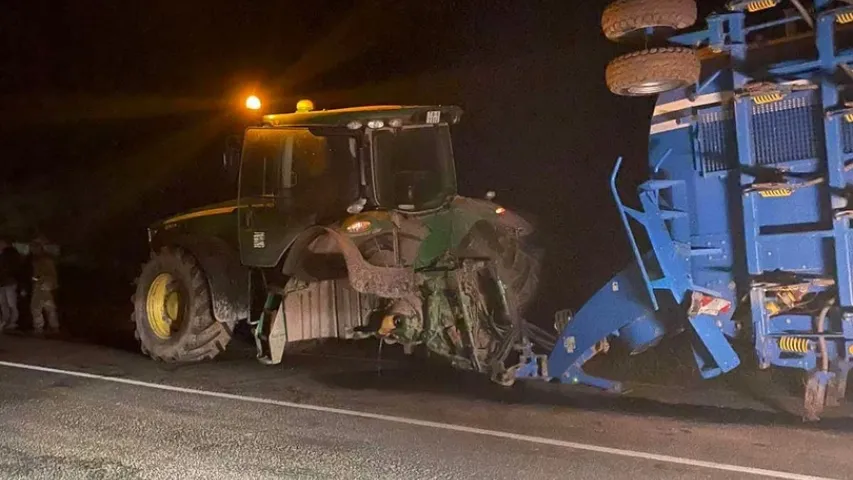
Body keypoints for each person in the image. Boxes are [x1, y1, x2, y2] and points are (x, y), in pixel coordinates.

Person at [30, 237, 59, 335]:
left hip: (42, 284)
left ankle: (39, 328)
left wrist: (36, 280)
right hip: (46, 284)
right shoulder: (44, 259)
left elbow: (41, 274)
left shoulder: (42, 260)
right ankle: (54, 327)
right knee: (48, 306)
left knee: (36, 307)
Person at [0, 238, 22, 332]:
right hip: (4, 282)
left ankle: (11, 322)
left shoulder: (10, 255)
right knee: (5, 303)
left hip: (8, 281)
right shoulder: (4, 254)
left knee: (10, 303)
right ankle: (7, 321)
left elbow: (13, 268)